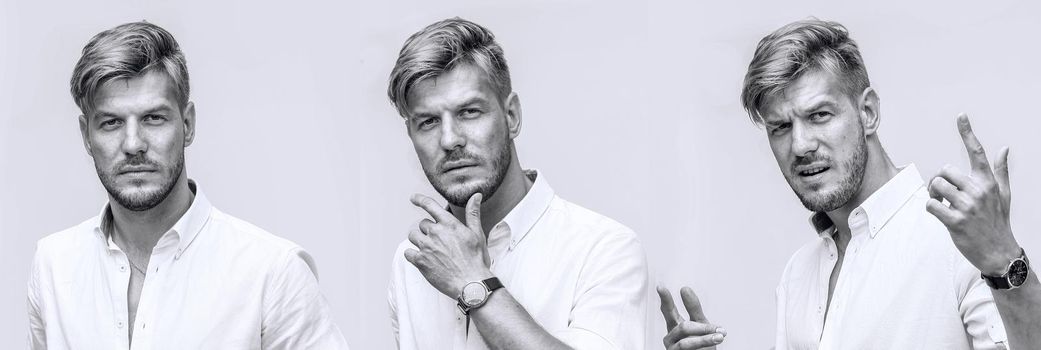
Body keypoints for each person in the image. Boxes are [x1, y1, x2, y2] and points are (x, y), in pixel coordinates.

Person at [659, 18, 1041, 349]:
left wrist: (1004, 261)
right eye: (780, 127)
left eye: (819, 115)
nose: (801, 145)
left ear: (868, 112)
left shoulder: (957, 241)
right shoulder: (799, 274)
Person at [27, 21, 349, 349]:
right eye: (111, 123)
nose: (133, 143)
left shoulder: (273, 273)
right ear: (86, 136)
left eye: (154, 118)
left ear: (188, 124)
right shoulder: (53, 264)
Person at [386, 17, 650, 350]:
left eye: (469, 112)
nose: (450, 139)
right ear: (411, 135)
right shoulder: (412, 260)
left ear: (511, 116)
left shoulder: (604, 249)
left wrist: (473, 281)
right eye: (428, 122)